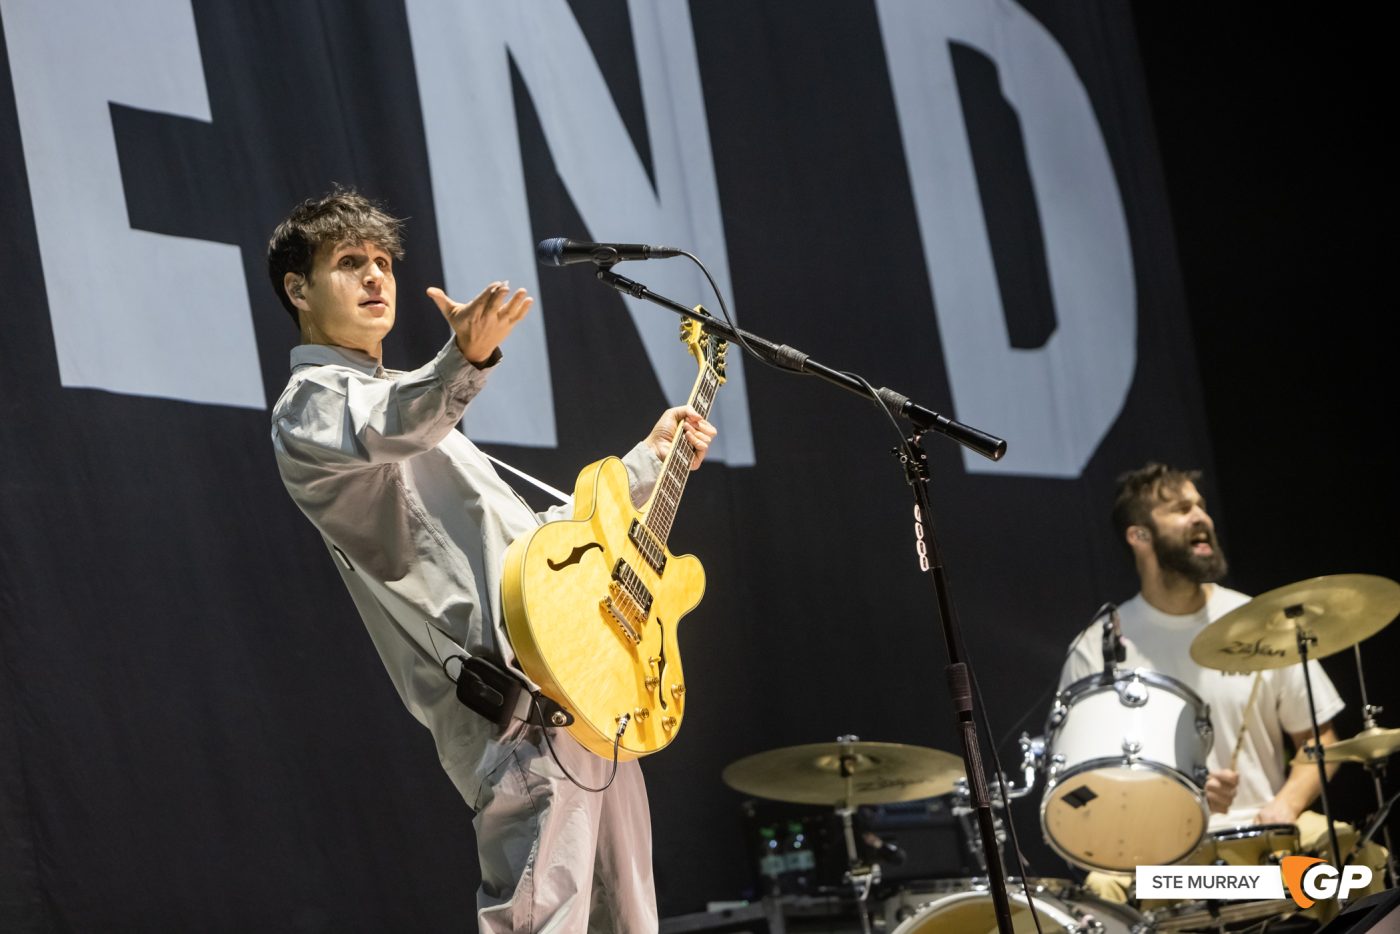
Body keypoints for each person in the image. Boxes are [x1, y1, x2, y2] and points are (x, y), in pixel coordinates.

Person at [266, 188, 716, 931]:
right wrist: (464, 358)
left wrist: (647, 461)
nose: (376, 276)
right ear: (298, 289)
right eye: (349, 262)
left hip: (585, 695)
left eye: (383, 262)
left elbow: (537, 555)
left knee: (630, 922)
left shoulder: (406, 406)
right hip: (519, 714)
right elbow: (396, 421)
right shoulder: (312, 407)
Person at [1058, 463, 1386, 906]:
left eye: (1202, 506)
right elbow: (1084, 787)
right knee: (1104, 889)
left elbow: (1318, 739)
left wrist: (1287, 805)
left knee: (1365, 864)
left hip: (1271, 840)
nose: (1202, 517)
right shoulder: (1098, 646)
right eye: (1181, 509)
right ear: (1139, 536)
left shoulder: (1264, 621)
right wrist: (1177, 797)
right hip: (1163, 860)